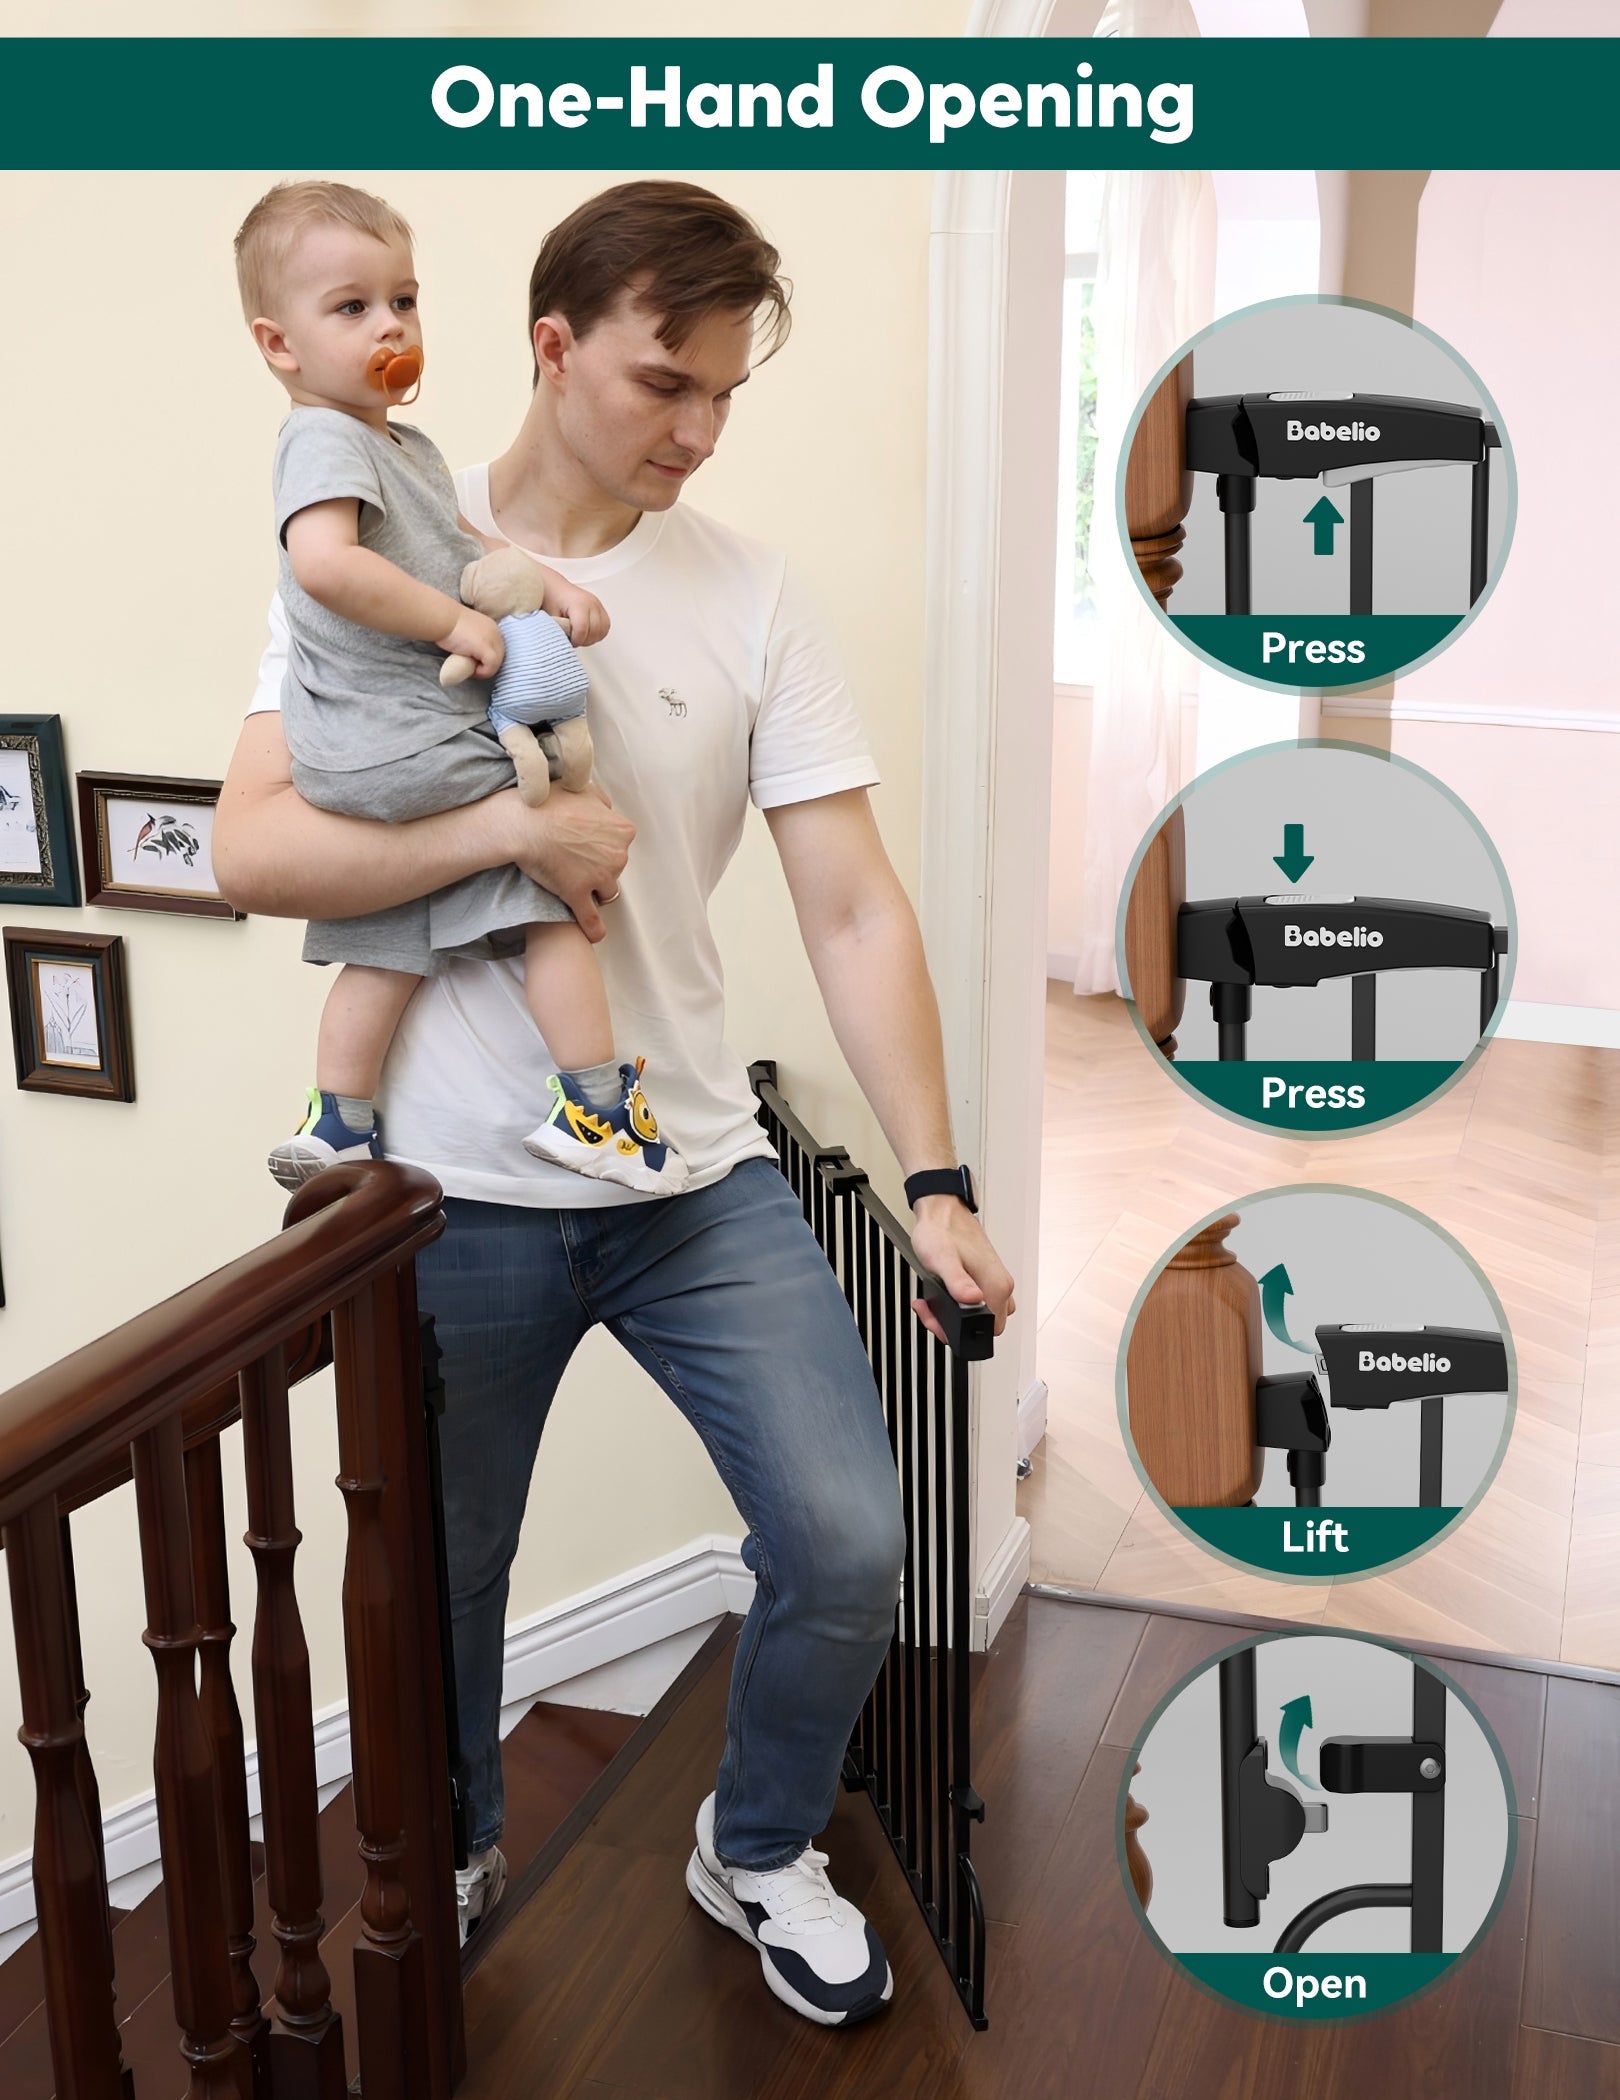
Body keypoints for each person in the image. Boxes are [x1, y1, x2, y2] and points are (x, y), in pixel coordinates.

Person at [215, 179, 1015, 2030]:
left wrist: (940, 1179)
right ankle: (460, 1846)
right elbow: (252, 849)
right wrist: (515, 833)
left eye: (726, 394)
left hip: (689, 1174)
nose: (700, 430)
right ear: (554, 344)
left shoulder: (752, 596)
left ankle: (757, 1847)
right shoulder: (380, 544)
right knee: (445, 1582)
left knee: (851, 1539)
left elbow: (850, 905)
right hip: (444, 1198)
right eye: (668, 382)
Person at [232, 178, 684, 1196]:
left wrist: (548, 585)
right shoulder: (322, 438)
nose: (390, 325)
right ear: (280, 345)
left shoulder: (397, 448)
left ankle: (338, 1122)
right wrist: (454, 623)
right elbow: (324, 563)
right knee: (550, 893)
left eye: (403, 299)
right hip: (402, 734)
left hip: (361, 754)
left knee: (386, 940)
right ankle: (598, 1110)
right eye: (352, 307)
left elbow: (462, 541)